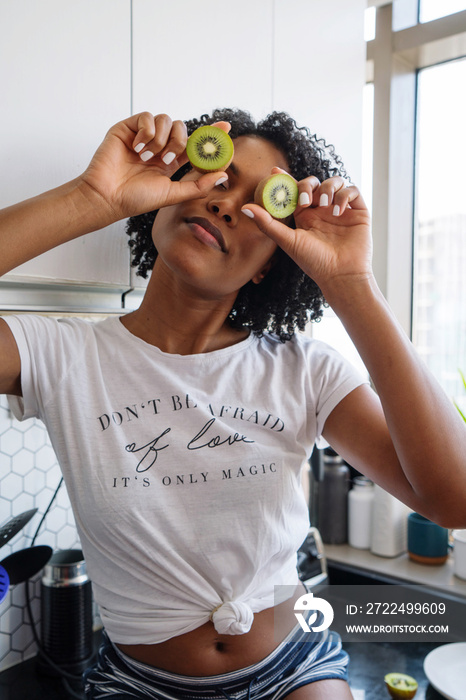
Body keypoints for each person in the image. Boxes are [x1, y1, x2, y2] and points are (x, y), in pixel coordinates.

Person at [1, 108, 465, 700]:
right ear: (169, 191)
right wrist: (93, 196)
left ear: (273, 258)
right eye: (219, 176)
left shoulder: (305, 369)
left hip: (296, 660)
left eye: (260, 204)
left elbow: (455, 497)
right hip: (138, 681)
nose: (224, 202)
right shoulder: (61, 353)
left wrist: (350, 282)